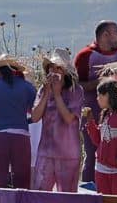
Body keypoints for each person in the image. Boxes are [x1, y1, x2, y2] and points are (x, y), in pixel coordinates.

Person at [0, 54, 37, 189]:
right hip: (21, 137)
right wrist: (24, 121)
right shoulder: (27, 87)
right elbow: (37, 112)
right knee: (22, 182)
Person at [75, 20, 117, 183]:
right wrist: (101, 82)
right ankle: (88, 189)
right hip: (91, 114)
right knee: (92, 154)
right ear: (105, 35)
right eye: (116, 31)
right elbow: (76, 86)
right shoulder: (85, 56)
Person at [31, 48, 83, 192]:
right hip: (46, 153)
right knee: (39, 194)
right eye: (51, 67)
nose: (54, 71)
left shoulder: (75, 90)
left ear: (66, 72)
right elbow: (35, 117)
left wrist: (57, 94)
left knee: (67, 198)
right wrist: (47, 93)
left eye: (58, 67)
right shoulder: (43, 90)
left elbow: (68, 118)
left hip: (68, 155)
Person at [83, 78, 117, 195]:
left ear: (109, 95)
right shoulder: (105, 114)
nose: (97, 98)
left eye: (100, 95)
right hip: (101, 170)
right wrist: (90, 121)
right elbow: (98, 141)